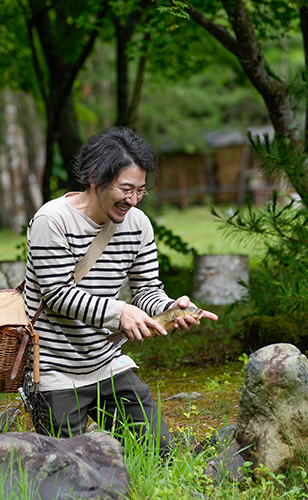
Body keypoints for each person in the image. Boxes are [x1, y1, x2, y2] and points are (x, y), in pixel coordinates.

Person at [23, 127, 218, 450]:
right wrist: (120, 312)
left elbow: (146, 290)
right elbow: (57, 294)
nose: (133, 200)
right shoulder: (51, 221)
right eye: (126, 189)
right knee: (67, 473)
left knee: (160, 455)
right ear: (95, 177)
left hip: (107, 363)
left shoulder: (138, 224)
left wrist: (171, 308)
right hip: (55, 372)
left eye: (140, 190)